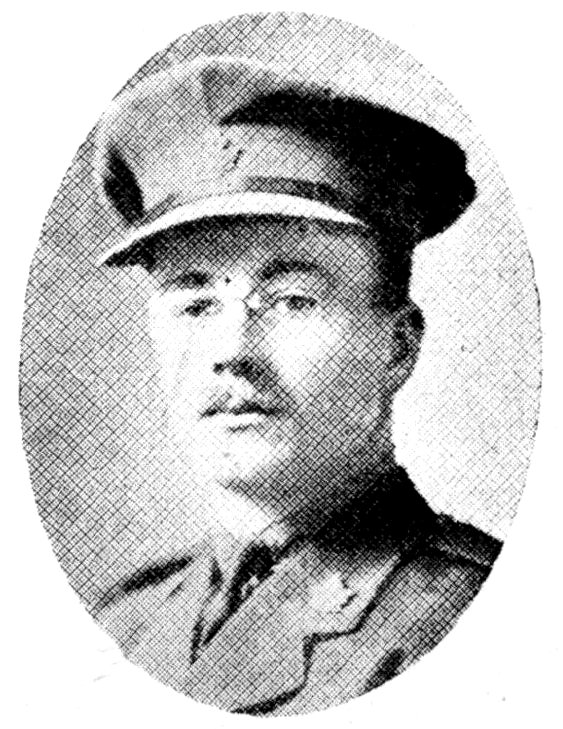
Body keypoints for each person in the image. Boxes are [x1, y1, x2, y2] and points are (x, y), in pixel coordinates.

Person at [91, 54, 501, 715]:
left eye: (292, 300)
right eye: (195, 302)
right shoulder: (125, 622)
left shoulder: (470, 620)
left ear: (396, 348)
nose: (231, 352)